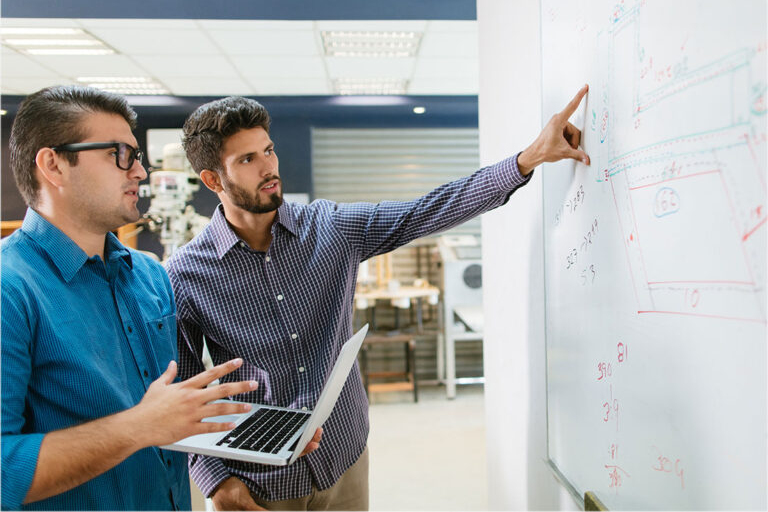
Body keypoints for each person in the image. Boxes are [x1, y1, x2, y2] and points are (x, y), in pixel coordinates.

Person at [166, 85, 591, 511]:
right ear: (212, 179)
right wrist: (216, 481)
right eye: (247, 159)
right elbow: (180, 390)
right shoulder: (185, 274)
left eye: (269, 150)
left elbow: (425, 210)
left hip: (343, 457)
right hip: (259, 481)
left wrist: (527, 158)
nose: (269, 166)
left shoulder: (330, 227)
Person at [0, 86, 322, 511]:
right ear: (53, 164)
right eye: (120, 154)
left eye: (136, 157)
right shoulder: (12, 289)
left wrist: (257, 434)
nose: (140, 173)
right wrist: (137, 427)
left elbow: (164, 415)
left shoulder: (149, 275)